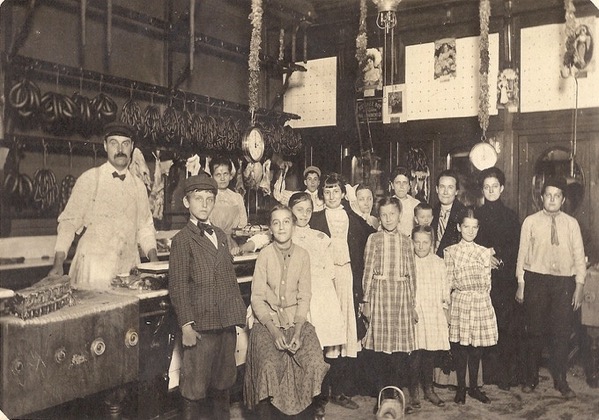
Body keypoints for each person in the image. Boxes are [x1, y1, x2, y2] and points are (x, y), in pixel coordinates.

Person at [168, 173, 247, 420]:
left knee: (223, 383)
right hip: (200, 326)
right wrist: (186, 326)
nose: (204, 204)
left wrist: (239, 314)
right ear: (186, 202)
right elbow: (178, 286)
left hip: (225, 323)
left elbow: (229, 279)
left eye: (209, 199)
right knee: (194, 387)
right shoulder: (182, 240)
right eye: (198, 198)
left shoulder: (221, 236)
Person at [243, 204, 329, 418]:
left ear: (293, 225)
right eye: (276, 222)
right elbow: (257, 298)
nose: (281, 227)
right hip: (267, 322)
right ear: (270, 229)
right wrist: (274, 331)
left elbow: (304, 296)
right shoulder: (264, 255)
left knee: (313, 362)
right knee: (268, 366)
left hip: (296, 321)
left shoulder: (303, 255)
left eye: (286, 222)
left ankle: (307, 414)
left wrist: (298, 332)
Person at [49, 121, 158, 289]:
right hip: (93, 269)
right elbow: (68, 223)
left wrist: (154, 261)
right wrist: (58, 262)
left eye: (125, 144)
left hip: (128, 269)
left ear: (132, 147)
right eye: (114, 143)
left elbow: (145, 227)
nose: (120, 150)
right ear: (105, 146)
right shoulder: (90, 179)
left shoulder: (138, 186)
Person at [516, 176, 586, 398]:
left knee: (561, 333)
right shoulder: (530, 221)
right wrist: (521, 283)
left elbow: (578, 255)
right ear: (542, 198)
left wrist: (579, 286)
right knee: (534, 332)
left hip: (563, 283)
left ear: (563, 199)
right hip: (536, 279)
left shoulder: (571, 224)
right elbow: (522, 255)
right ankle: (530, 378)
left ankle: (561, 380)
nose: (552, 199)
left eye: (557, 196)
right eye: (548, 195)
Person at [310, 172, 375, 410]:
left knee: (345, 332)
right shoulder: (315, 218)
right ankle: (319, 393)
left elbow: (371, 234)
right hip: (324, 280)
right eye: (326, 192)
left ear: (343, 194)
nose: (331, 196)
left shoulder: (352, 217)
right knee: (324, 332)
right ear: (321, 194)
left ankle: (339, 390)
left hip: (346, 276)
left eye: (336, 191)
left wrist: (356, 207)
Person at [362, 196, 419, 413]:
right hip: (379, 296)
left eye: (392, 214)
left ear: (400, 215)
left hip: (401, 298)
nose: (388, 218)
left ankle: (395, 394)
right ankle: (382, 395)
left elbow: (412, 273)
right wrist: (366, 301)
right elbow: (367, 271)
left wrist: (412, 304)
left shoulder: (407, 241)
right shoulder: (373, 239)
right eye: (383, 215)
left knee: (398, 352)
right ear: (379, 217)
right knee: (380, 352)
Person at [474, 167, 522, 390]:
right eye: (486, 187)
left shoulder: (511, 216)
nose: (490, 190)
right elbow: (471, 241)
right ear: (482, 190)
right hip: (481, 277)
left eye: (495, 186)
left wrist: (498, 257)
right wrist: (486, 256)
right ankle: (488, 374)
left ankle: (506, 374)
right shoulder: (476, 215)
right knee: (484, 324)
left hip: (504, 279)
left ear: (501, 188)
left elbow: (516, 246)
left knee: (505, 325)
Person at [445, 208, 498, 405]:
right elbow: (448, 282)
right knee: (461, 347)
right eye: (466, 226)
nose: (470, 230)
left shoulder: (484, 252)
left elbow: (487, 282)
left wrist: (484, 302)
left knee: (477, 347)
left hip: (480, 301)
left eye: (474, 227)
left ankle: (474, 387)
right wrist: (447, 306)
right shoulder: (451, 252)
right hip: (461, 301)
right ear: (459, 227)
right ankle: (461, 388)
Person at [411, 225, 450, 408]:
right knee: (415, 353)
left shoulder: (438, 262)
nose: (421, 246)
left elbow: (444, 288)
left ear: (432, 243)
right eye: (417, 242)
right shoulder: (409, 262)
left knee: (429, 352)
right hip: (416, 312)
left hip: (433, 311)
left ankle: (429, 389)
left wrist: (445, 309)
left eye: (425, 242)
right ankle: (413, 392)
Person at [209, 156, 248, 251]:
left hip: (232, 243)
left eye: (225, 174)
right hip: (211, 243)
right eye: (218, 175)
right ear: (212, 177)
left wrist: (232, 238)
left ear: (231, 175)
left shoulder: (237, 197)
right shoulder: (208, 197)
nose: (222, 178)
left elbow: (243, 224)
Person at [432, 169, 467, 257]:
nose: (445, 192)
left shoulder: (464, 213)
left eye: (450, 187)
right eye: (442, 187)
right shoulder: (431, 212)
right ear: (437, 189)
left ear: (456, 191)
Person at [390, 166, 421, 237]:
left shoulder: (416, 204)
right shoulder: (388, 204)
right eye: (398, 183)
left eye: (405, 182)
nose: (401, 186)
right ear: (392, 185)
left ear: (409, 186)